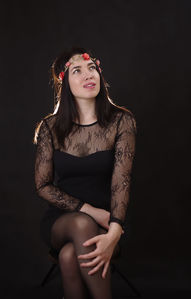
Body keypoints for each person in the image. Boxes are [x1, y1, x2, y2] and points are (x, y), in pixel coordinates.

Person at [33, 46, 136, 299]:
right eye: (77, 71)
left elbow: (121, 182)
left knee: (69, 257)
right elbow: (43, 186)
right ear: (64, 83)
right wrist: (90, 211)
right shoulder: (50, 127)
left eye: (92, 68)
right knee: (81, 222)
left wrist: (113, 231)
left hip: (109, 223)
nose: (88, 75)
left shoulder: (122, 121)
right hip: (62, 220)